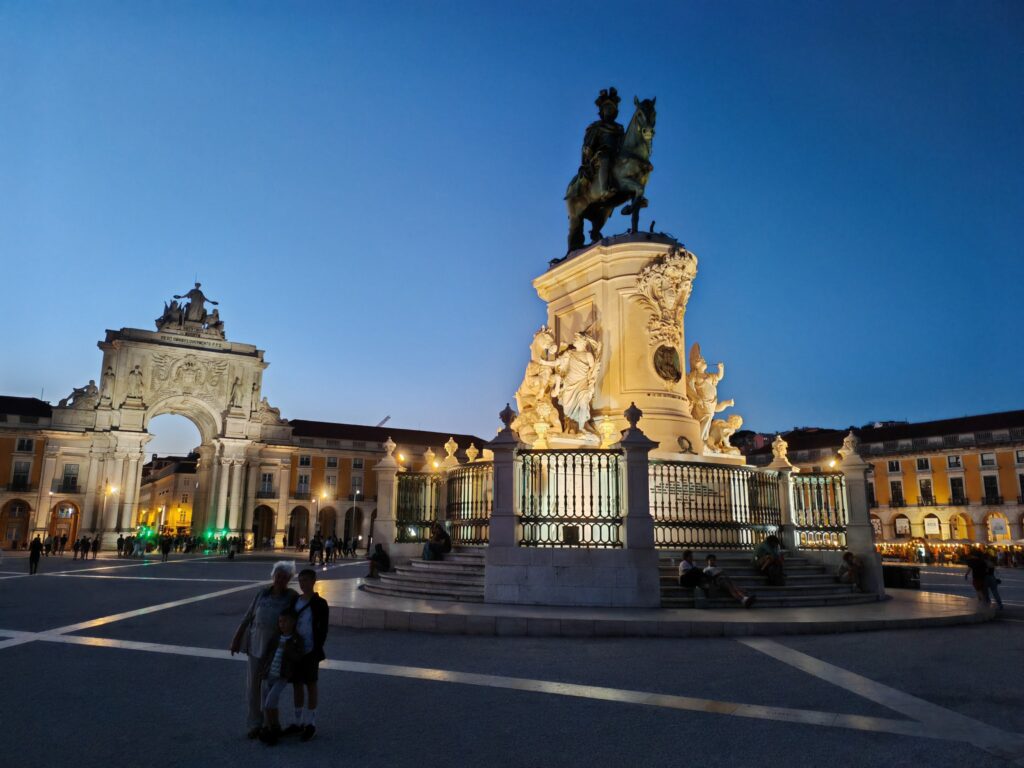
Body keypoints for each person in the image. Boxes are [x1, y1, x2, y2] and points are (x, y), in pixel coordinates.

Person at [230, 561, 299, 739]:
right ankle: (254, 723)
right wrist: (236, 638)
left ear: (289, 579)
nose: (281, 580)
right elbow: (248, 616)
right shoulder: (262, 593)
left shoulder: (291, 597)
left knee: (268, 688)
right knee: (253, 686)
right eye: (278, 576)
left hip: (276, 650)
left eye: (285, 577)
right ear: (273, 576)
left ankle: (269, 724)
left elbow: (297, 620)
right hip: (256, 643)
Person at [287, 568, 330, 742]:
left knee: (311, 684)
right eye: (301, 580)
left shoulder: (320, 603)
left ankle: (311, 722)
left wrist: (317, 646)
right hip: (296, 650)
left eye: (306, 580)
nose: (303, 583)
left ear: (313, 581)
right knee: (297, 684)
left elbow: (324, 628)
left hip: (311, 650)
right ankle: (298, 721)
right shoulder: (295, 601)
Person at [257, 609, 304, 746]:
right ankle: (274, 728)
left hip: (282, 677)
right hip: (269, 674)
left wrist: (287, 649)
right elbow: (267, 653)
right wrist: (262, 669)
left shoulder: (296, 640)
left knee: (269, 703)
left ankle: (273, 729)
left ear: (293, 622)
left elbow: (298, 657)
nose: (282, 624)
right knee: (272, 703)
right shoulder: (276, 637)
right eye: (280, 621)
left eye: (285, 621)